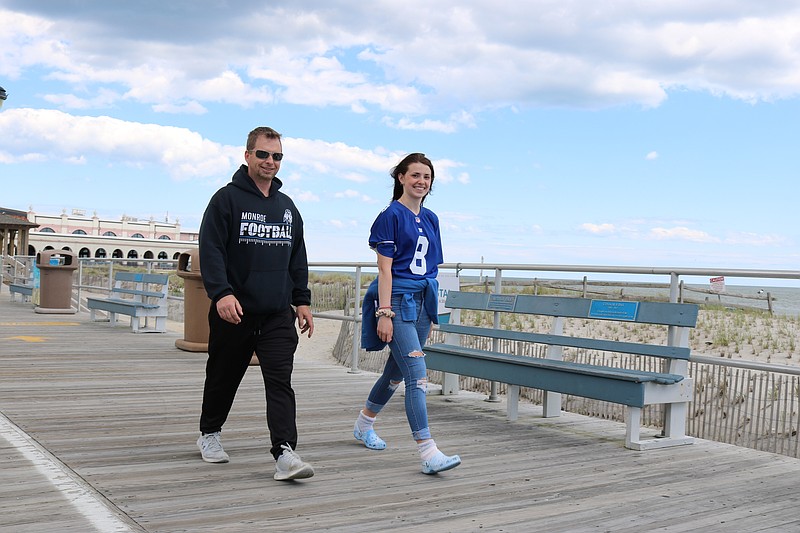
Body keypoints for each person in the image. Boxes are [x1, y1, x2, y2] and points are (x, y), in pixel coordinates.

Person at [196, 126, 315, 481]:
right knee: (223, 376)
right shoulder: (226, 199)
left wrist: (302, 301)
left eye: (276, 156)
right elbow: (211, 249)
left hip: (277, 313)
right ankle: (209, 433)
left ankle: (285, 453)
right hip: (235, 312)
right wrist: (222, 293)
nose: (270, 161)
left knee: (280, 380)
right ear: (247, 156)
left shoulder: (287, 207)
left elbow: (298, 257)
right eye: (263, 154)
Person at [354, 153, 461, 475]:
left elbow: (432, 269)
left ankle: (363, 425)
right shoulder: (390, 216)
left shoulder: (431, 218)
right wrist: (384, 312)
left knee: (395, 373)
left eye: (426, 177)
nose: (421, 182)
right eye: (415, 175)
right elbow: (384, 271)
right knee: (418, 376)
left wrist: (433, 313)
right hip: (397, 302)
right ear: (400, 177)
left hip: (421, 304)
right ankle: (428, 452)